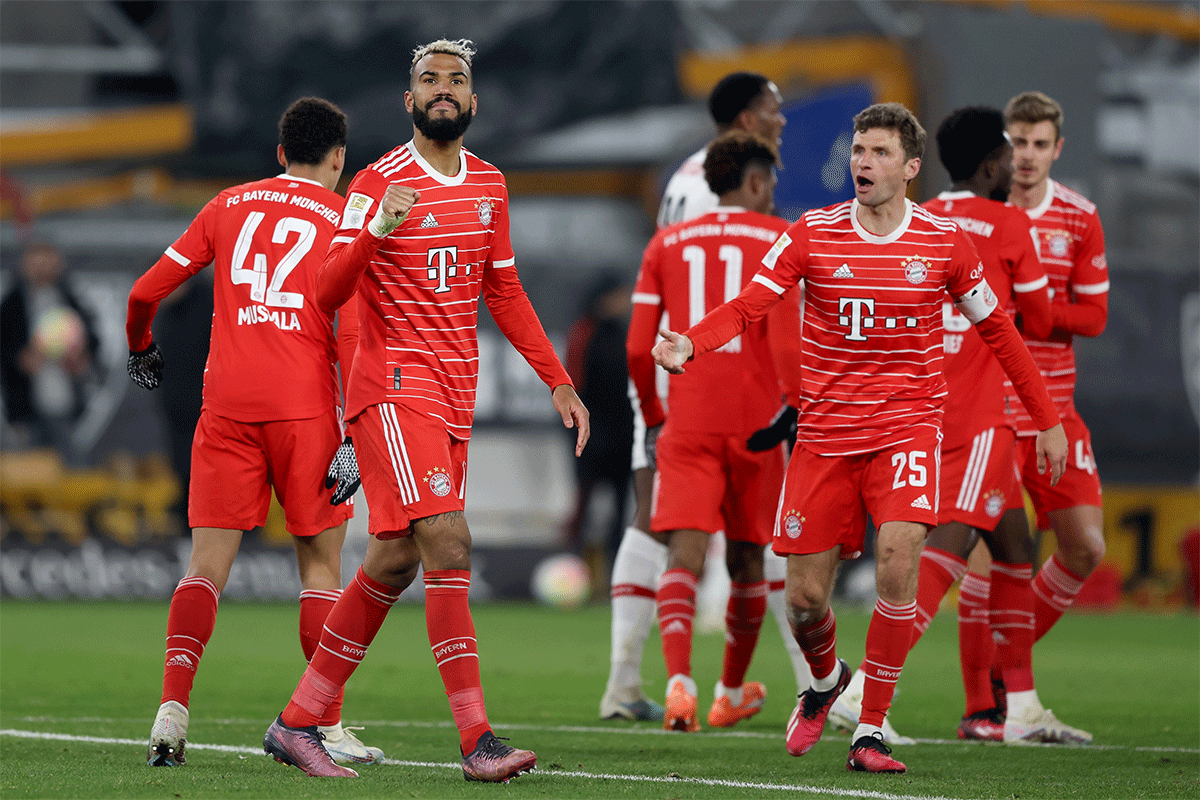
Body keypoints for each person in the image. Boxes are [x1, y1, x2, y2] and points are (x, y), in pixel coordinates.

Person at [651, 102, 1068, 774]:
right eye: (857, 151)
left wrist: (1045, 418)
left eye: (877, 153)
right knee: (806, 599)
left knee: (899, 563)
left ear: (909, 168)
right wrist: (690, 343)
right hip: (825, 439)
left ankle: (870, 728)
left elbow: (1003, 335)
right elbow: (749, 307)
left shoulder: (943, 243)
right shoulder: (811, 234)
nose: (862, 163)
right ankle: (823, 683)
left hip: (908, 429)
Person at [261, 39, 589, 782]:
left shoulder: (490, 187)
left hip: (453, 395)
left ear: (474, 103)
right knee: (448, 540)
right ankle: (478, 741)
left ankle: (297, 720)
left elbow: (503, 292)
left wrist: (558, 381)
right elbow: (324, 289)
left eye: (457, 80)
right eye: (429, 80)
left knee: (395, 557)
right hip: (392, 386)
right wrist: (376, 228)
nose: (444, 89)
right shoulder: (377, 183)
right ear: (408, 102)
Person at [127, 97, 384, 768]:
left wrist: (140, 347)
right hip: (305, 409)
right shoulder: (344, 218)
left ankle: (171, 710)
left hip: (227, 407)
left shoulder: (227, 205)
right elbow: (353, 334)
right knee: (321, 567)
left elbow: (143, 293)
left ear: (279, 153)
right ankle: (323, 724)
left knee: (205, 568)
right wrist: (355, 435)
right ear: (338, 159)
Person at [826, 106, 1090, 744]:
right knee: (944, 548)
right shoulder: (1007, 223)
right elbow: (1033, 317)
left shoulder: (923, 217)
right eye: (1007, 153)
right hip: (977, 417)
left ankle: (1020, 706)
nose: (1014, 165)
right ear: (990, 162)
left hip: (917, 409)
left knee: (1013, 549)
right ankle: (862, 693)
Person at [601, 69, 814, 724]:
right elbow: (746, 307)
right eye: (774, 110)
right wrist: (796, 399)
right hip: (724, 388)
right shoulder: (747, 214)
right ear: (749, 127)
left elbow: (650, 321)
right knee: (750, 545)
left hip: (675, 391)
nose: (783, 121)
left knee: (665, 529)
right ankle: (807, 685)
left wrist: (657, 399)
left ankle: (642, 682)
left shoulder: (680, 191)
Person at [1000, 89, 1108, 655]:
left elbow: (1094, 316)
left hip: (1053, 413)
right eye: (1018, 141)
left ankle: (1004, 664)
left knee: (1086, 546)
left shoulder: (1079, 216)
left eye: (1039, 143)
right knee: (980, 562)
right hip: (987, 411)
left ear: (1057, 148)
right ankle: (873, 690)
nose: (1027, 154)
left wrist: (1031, 315)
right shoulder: (979, 212)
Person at [0, 238, 100, 457]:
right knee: (29, 473)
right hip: (25, 410)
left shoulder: (73, 301)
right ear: (24, 263)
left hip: (68, 408)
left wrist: (82, 358)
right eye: (36, 259)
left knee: (71, 471)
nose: (42, 266)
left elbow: (94, 343)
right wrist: (20, 359)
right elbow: (5, 349)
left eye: (48, 259)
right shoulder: (11, 306)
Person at [562, 272, 635, 571]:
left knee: (621, 506)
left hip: (623, 434)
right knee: (584, 501)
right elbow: (572, 384)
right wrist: (580, 431)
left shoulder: (624, 332)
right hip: (590, 434)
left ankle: (614, 571)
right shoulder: (584, 331)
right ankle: (572, 566)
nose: (625, 302)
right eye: (619, 296)